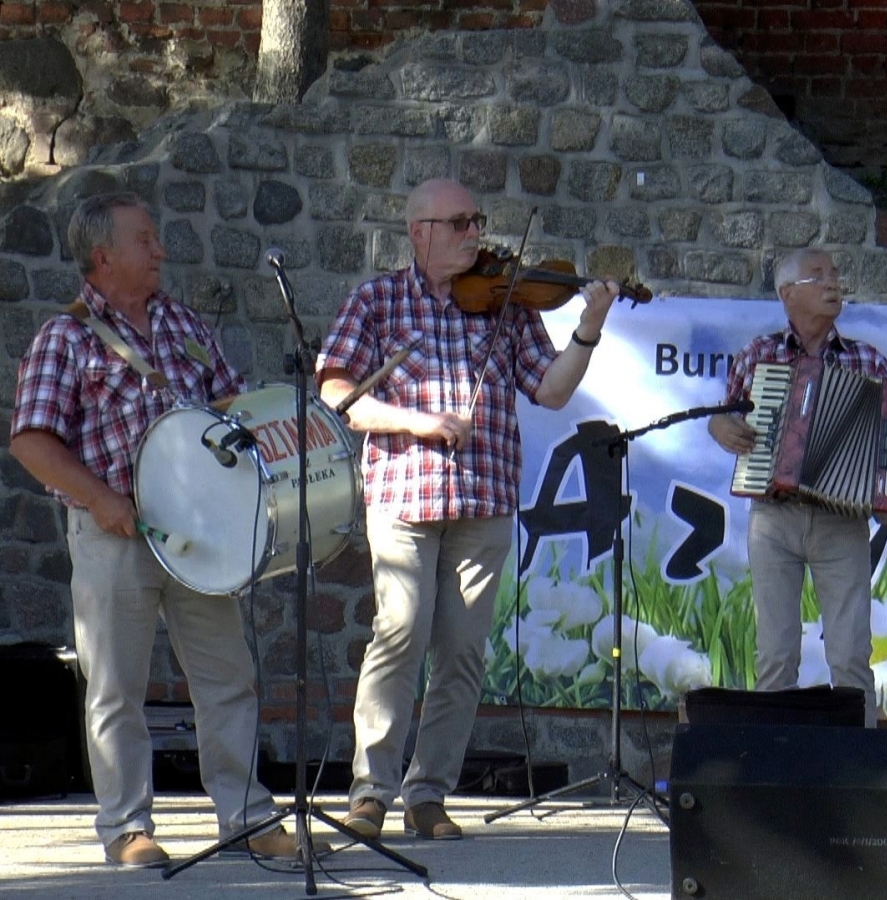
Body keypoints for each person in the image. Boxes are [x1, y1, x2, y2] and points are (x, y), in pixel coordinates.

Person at [9, 192, 323, 868]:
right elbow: (31, 440)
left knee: (226, 677)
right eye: (145, 239)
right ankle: (127, 828)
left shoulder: (182, 321)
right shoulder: (64, 337)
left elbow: (231, 407)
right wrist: (100, 499)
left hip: (199, 531)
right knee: (115, 687)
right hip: (115, 530)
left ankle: (247, 818)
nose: (160, 250)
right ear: (103, 256)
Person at [316, 178, 620, 840]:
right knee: (400, 632)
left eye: (476, 221)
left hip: (483, 498)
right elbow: (339, 392)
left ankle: (428, 794)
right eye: (459, 223)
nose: (474, 234)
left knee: (461, 653)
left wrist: (588, 329)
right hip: (404, 496)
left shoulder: (506, 303)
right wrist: (417, 422)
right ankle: (371, 791)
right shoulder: (378, 300)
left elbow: (551, 390)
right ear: (419, 231)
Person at [707, 248, 887, 727]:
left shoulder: (865, 358)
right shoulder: (758, 355)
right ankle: (776, 763)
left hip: (842, 520)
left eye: (835, 274)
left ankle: (859, 764)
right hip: (773, 517)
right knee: (775, 655)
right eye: (818, 276)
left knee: (851, 656)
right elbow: (724, 416)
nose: (833, 283)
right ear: (787, 293)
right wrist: (722, 428)